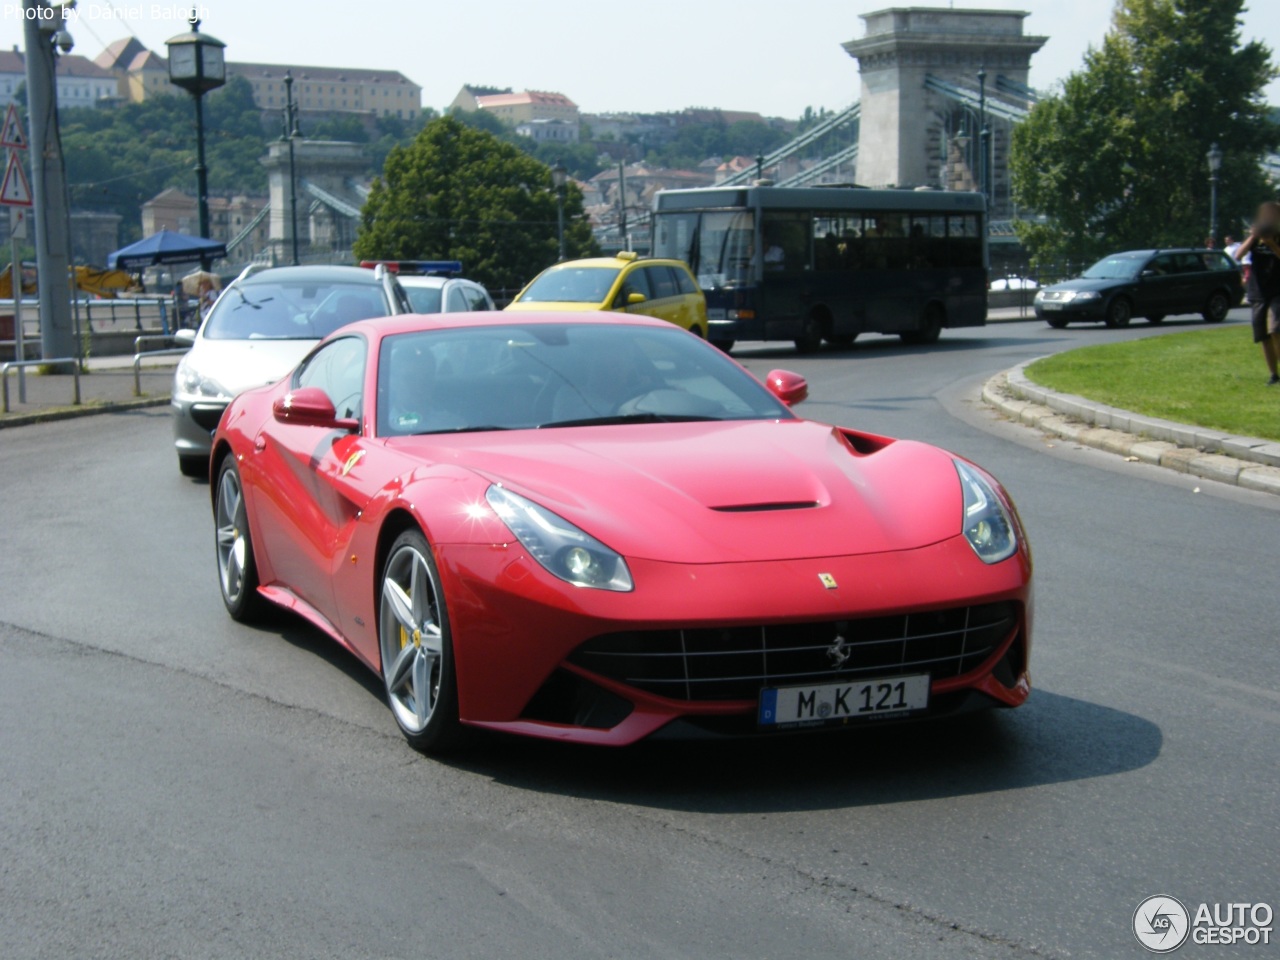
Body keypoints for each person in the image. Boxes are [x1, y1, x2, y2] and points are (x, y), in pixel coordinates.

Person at [1232, 201, 1280, 385]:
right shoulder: (1256, 236)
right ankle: (1274, 375)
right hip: (1258, 290)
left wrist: (1271, 243)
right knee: (1263, 335)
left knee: (1275, 328)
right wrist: (1253, 237)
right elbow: (1237, 255)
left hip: (1278, 290)